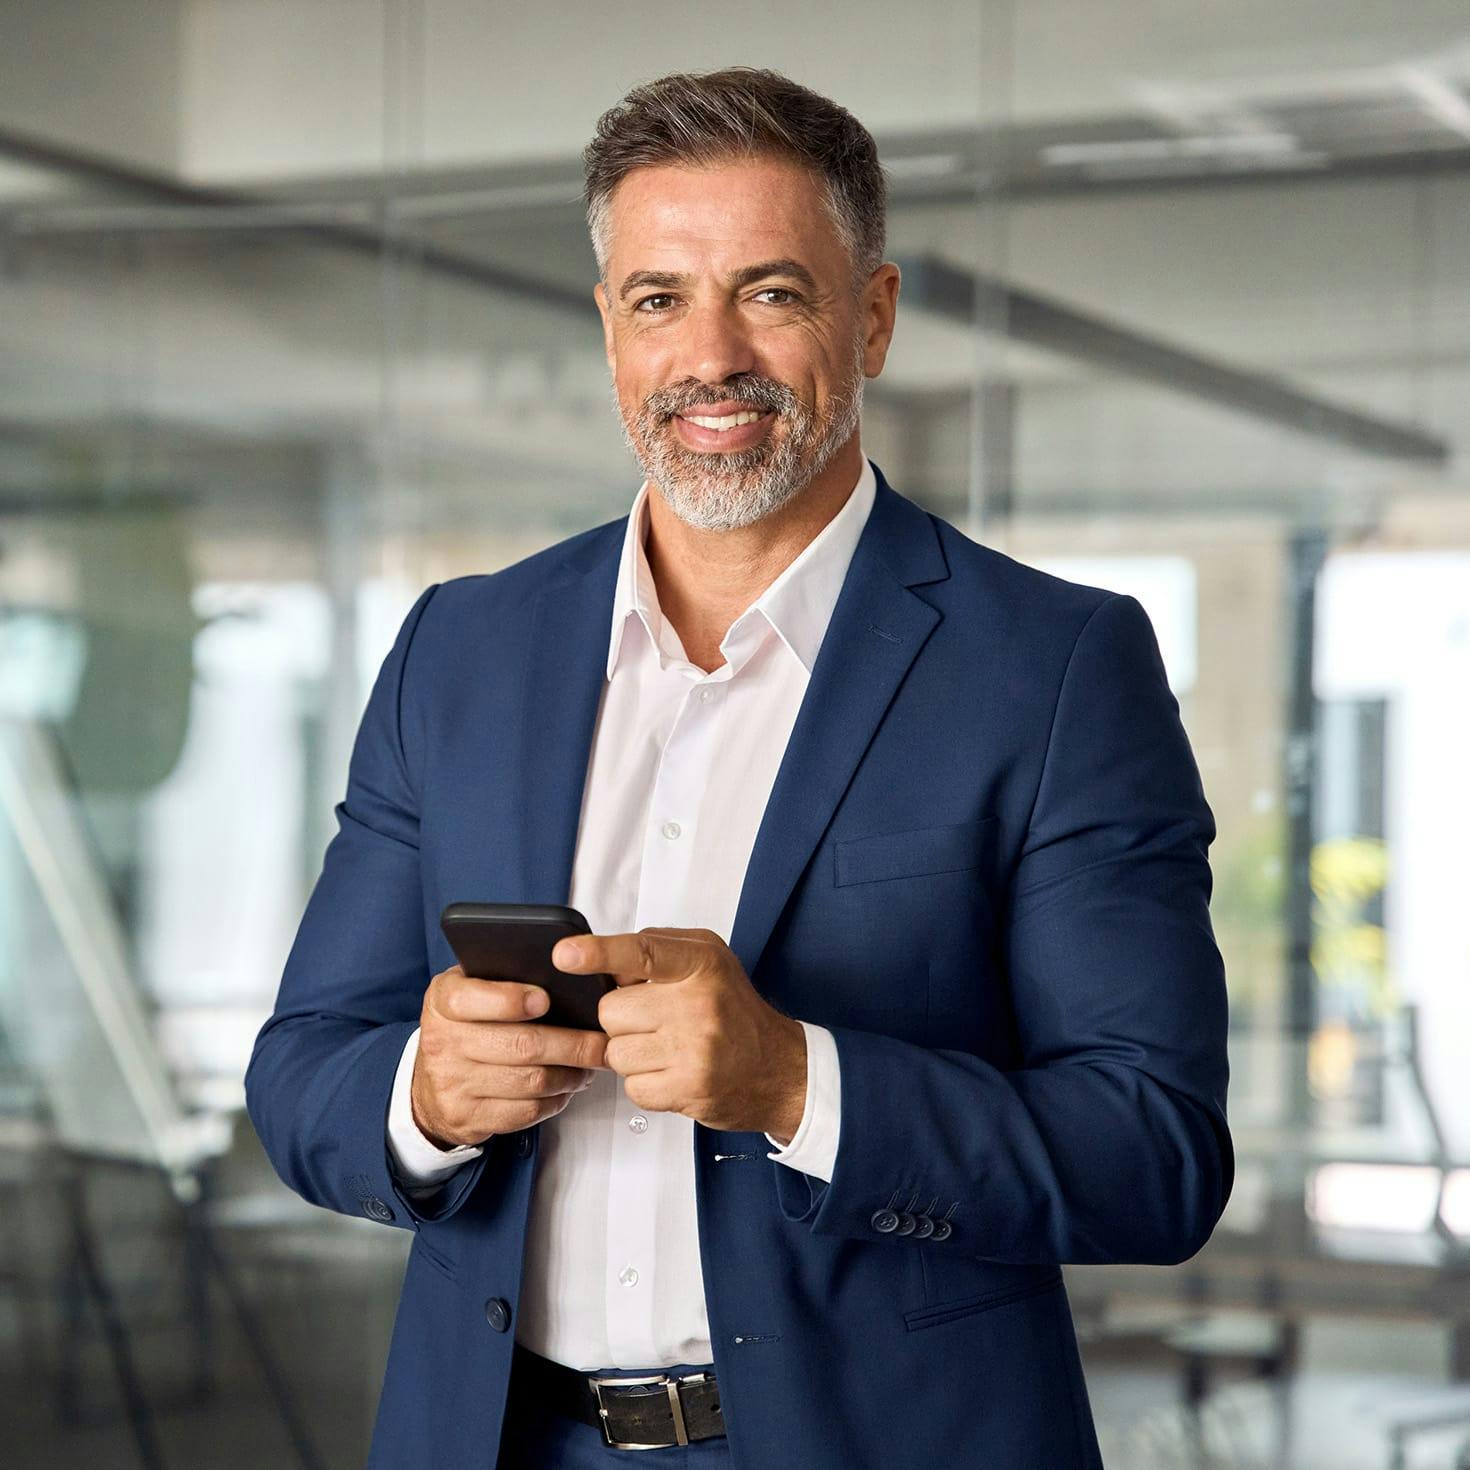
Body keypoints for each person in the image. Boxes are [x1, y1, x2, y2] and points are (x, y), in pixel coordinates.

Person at [245, 65, 1232, 1469]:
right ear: (610, 326)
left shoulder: (1054, 666)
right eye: (660, 298)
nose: (711, 354)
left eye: (770, 292)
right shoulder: (459, 648)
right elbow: (300, 1069)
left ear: (871, 316)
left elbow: (1154, 1154)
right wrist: (424, 1098)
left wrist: (795, 1081)